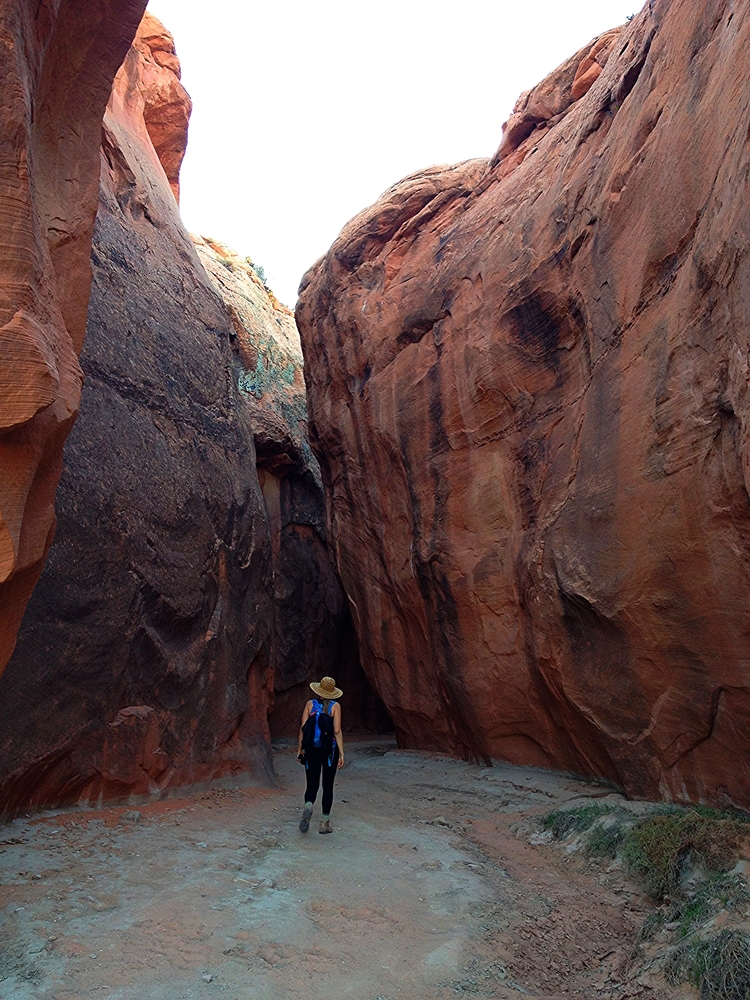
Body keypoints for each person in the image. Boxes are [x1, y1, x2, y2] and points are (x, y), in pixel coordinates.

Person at [297, 676, 344, 834]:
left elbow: (303, 728)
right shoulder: (335, 706)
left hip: (312, 750)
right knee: (328, 785)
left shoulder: (310, 704)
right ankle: (324, 823)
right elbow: (337, 730)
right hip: (330, 751)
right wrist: (342, 753)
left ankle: (308, 805)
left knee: (312, 784)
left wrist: (300, 749)